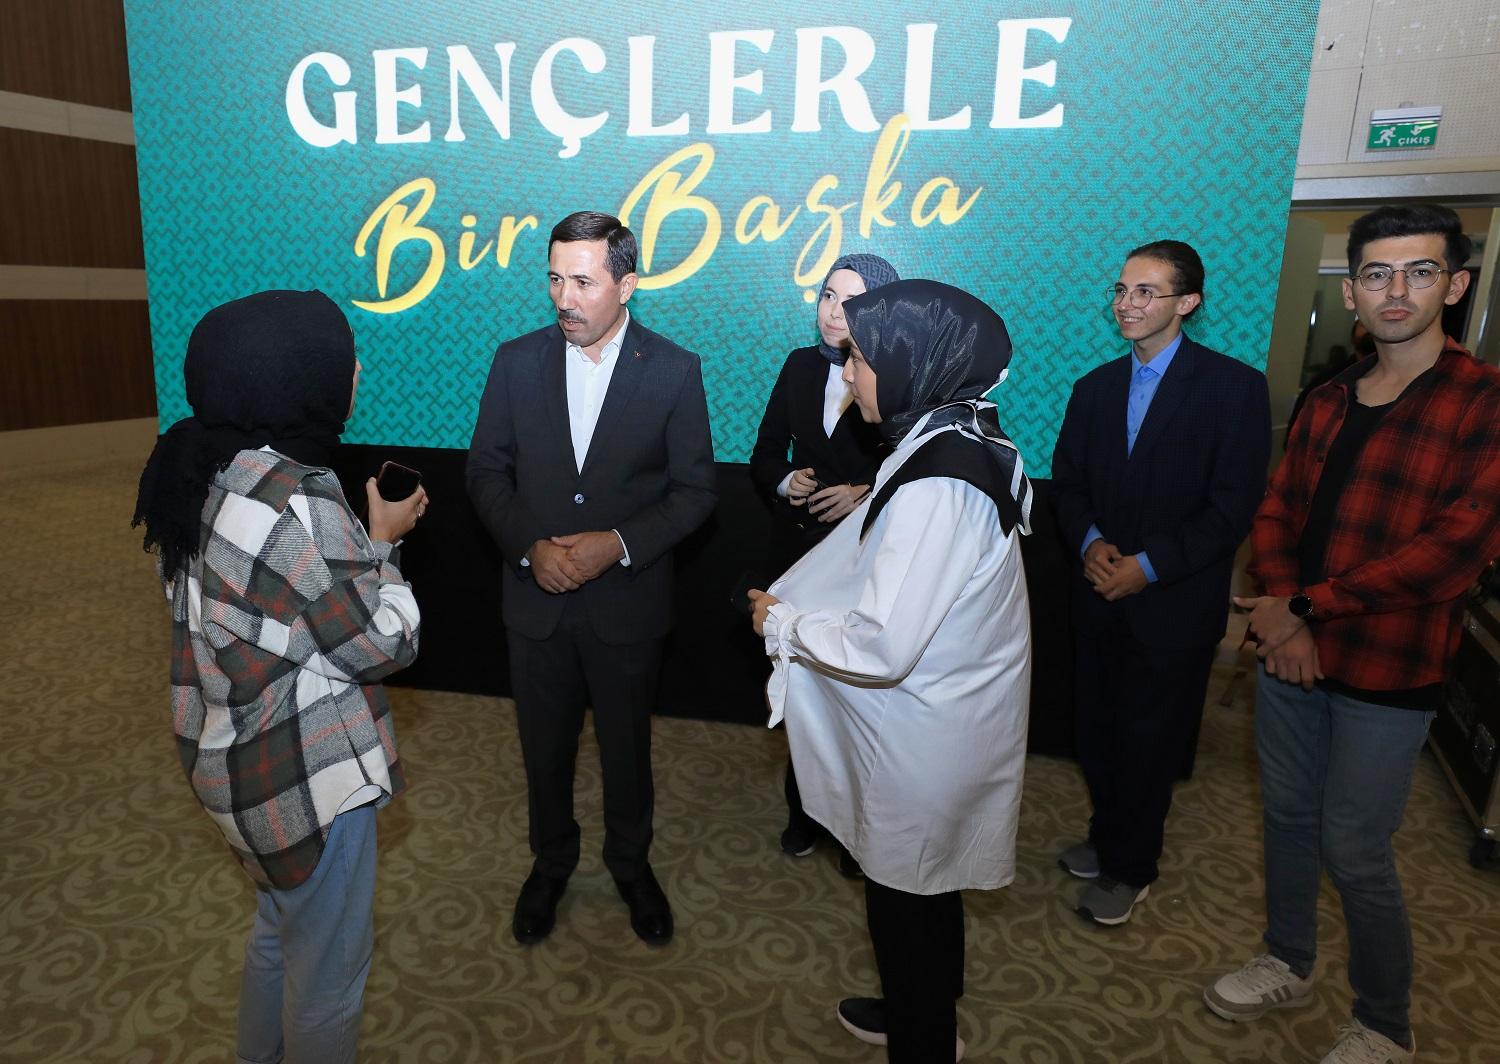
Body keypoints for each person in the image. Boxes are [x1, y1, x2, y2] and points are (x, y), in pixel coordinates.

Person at [1206, 204, 1500, 1063]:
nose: (1395, 290)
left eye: (1419, 271)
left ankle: (1384, 1022)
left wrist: (1303, 607)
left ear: (1455, 285)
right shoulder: (1330, 396)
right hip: (1292, 653)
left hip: (1389, 667)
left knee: (1357, 849)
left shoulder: (1483, 403)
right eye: (1376, 273)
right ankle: (1288, 960)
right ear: (1352, 292)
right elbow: (1278, 509)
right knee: (1288, 819)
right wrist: (1286, 608)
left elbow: (1451, 553)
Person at [131, 289, 425, 1063]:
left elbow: (282, 615)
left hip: (232, 770)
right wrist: (383, 547)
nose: (355, 370)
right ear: (297, 377)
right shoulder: (298, 500)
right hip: (300, 782)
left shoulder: (204, 469)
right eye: (341, 358)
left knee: (278, 933)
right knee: (329, 980)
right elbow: (380, 643)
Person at [750, 279, 1034, 1062]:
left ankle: (923, 1038)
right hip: (940, 714)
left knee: (908, 896)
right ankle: (917, 1008)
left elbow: (883, 644)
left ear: (912, 362)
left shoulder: (940, 482)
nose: (846, 373)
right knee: (922, 884)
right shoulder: (953, 437)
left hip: (926, 731)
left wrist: (783, 623)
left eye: (860, 358)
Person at [467, 211, 717, 947]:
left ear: (626, 284)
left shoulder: (673, 370)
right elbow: (485, 473)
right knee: (542, 750)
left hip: (627, 607)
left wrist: (619, 544)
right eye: (554, 279)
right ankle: (551, 864)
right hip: (535, 603)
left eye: (582, 282)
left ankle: (630, 865)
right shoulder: (515, 361)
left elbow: (695, 491)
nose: (563, 298)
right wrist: (528, 549)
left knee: (626, 750)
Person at [1051, 240, 1270, 926]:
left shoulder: (1234, 388)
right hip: (1097, 594)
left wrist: (1147, 567)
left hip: (1174, 603)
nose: (1128, 303)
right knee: (1097, 732)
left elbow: (1231, 508)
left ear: (1188, 303)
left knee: (1149, 743)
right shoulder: (1093, 388)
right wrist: (1091, 544)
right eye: (1121, 290)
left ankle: (1132, 867)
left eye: (1146, 291)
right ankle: (1106, 836)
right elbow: (1069, 485)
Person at [749, 252, 898, 866]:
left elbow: (919, 465)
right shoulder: (799, 365)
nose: (835, 312)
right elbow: (764, 454)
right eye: (827, 295)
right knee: (804, 692)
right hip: (801, 557)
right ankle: (804, 812)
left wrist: (865, 493)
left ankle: (859, 829)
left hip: (866, 563)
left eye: (852, 301)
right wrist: (787, 481)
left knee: (858, 702)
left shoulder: (899, 376)